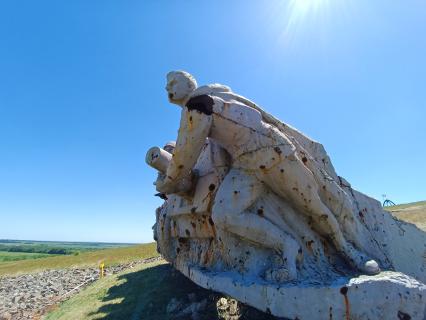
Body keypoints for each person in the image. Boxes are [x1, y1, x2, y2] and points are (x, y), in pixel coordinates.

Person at [156, 71, 380, 277]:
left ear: (189, 83)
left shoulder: (198, 104)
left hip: (274, 152)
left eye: (173, 83)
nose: (168, 89)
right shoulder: (204, 102)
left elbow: (185, 155)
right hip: (246, 165)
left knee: (313, 207)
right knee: (224, 213)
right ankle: (286, 246)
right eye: (166, 86)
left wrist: (168, 183)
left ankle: (348, 251)